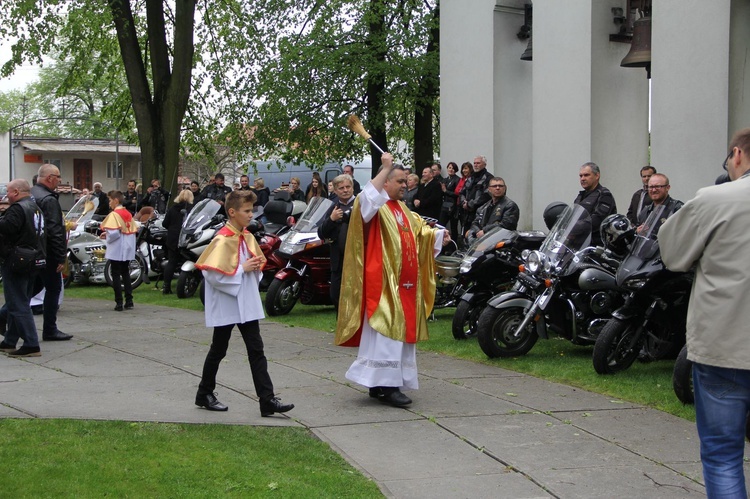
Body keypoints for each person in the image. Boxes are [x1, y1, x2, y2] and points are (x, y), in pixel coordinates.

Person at [659, 128, 750, 498]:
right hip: (725, 344)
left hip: (724, 342)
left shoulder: (716, 199)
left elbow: (674, 254)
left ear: (737, 155)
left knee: (723, 456)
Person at [335, 152, 450, 407]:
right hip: (384, 283)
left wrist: (439, 236)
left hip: (404, 286)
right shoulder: (375, 208)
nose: (405, 185)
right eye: (399, 181)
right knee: (386, 334)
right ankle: (387, 385)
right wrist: (385, 168)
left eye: (405, 181)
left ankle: (379, 383)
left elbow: (420, 232)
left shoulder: (402, 209)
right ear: (385, 182)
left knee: (396, 334)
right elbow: (365, 200)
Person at [194, 190, 294, 417]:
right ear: (232, 212)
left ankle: (267, 400)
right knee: (218, 349)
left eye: (252, 210)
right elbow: (212, 275)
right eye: (247, 211)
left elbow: (253, 269)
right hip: (228, 304)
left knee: (256, 350)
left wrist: (255, 266)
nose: (251, 215)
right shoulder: (221, 239)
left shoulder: (247, 236)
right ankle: (204, 393)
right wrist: (242, 270)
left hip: (245, 304)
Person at [0, 179, 45, 357]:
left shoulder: (18, 209)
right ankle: (10, 341)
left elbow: (6, 229)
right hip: (32, 259)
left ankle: (31, 343)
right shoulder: (35, 207)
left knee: (18, 303)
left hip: (16, 261)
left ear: (16, 192)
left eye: (9, 192)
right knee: (19, 302)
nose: (7, 196)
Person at [31, 164, 73, 341]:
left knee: (30, 289)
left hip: (31, 251)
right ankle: (50, 329)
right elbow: (55, 230)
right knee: (53, 289)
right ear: (49, 178)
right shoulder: (48, 200)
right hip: (46, 253)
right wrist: (59, 257)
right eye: (58, 176)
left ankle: (5, 315)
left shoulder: (32, 195)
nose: (59, 180)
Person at [317, 174, 355, 309]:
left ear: (352, 188)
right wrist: (331, 220)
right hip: (338, 261)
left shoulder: (360, 205)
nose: (345, 190)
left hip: (356, 260)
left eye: (348, 187)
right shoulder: (333, 208)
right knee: (336, 296)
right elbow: (321, 233)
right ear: (336, 191)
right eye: (341, 188)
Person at [101, 191, 137, 311]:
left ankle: (119, 302)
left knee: (116, 274)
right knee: (125, 273)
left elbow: (114, 233)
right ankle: (129, 300)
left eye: (110, 200)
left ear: (116, 200)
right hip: (127, 246)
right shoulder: (128, 213)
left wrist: (107, 236)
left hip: (117, 247)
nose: (109, 203)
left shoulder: (114, 214)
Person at [573, 162, 617, 247]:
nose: (582, 178)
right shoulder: (580, 196)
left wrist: (576, 227)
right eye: (581, 176)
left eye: (586, 175)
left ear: (597, 176)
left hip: (597, 247)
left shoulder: (604, 195)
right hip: (580, 245)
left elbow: (597, 220)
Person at [465, 177, 519, 241]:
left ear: (504, 188)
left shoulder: (510, 205)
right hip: (483, 241)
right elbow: (475, 223)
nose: (498, 188)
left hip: (502, 243)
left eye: (500, 186)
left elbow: (507, 225)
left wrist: (485, 231)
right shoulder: (483, 207)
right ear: (489, 189)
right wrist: (478, 232)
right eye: (494, 186)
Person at [161, 189, 194, 294]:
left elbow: (164, 223)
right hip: (186, 239)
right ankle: (186, 284)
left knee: (171, 262)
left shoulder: (172, 208)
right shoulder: (192, 209)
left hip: (172, 238)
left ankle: (166, 286)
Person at [460, 156, 494, 229]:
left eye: (478, 163)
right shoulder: (470, 178)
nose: (475, 165)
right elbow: (462, 192)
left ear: (484, 164)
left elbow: (487, 195)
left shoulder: (489, 178)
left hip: (481, 213)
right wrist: (463, 202)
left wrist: (470, 204)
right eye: (474, 163)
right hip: (467, 214)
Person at [439, 161, 461, 237]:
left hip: (453, 206)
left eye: (453, 168)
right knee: (441, 225)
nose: (451, 169)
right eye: (449, 168)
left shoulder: (457, 179)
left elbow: (457, 194)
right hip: (445, 205)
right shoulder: (445, 180)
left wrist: (446, 191)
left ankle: (453, 246)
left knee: (453, 227)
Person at [455, 162, 472, 244]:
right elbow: (458, 191)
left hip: (468, 206)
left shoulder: (471, 179)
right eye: (463, 168)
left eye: (466, 168)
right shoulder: (461, 179)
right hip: (460, 205)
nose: (464, 170)